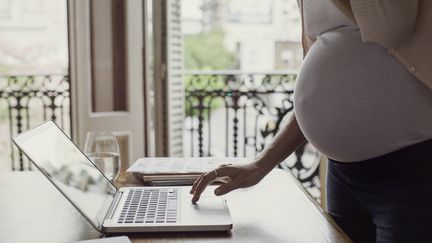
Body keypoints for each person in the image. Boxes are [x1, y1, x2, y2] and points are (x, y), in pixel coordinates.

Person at [190, 0, 432, 242]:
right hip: (342, 175)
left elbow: (389, 26)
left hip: (411, 168)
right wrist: (260, 165)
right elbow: (316, 82)